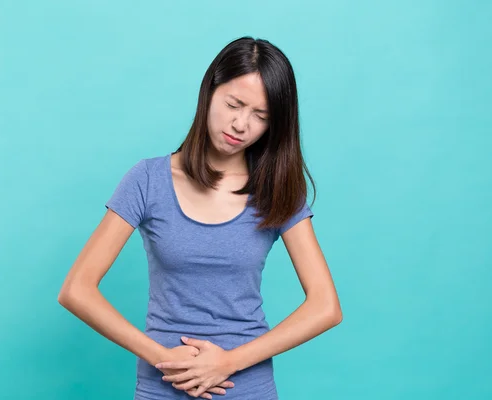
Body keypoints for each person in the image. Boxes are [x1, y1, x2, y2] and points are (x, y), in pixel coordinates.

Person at [58, 36, 342, 400]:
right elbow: (76, 290)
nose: (241, 124)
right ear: (209, 91)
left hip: (247, 388)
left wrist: (228, 362)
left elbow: (326, 307)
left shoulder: (277, 188)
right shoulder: (147, 180)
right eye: (234, 104)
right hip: (163, 387)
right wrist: (164, 359)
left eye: (260, 117)